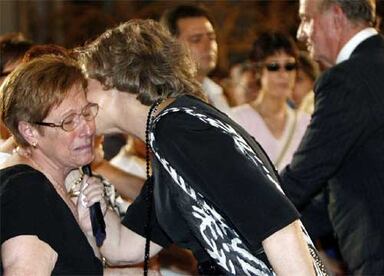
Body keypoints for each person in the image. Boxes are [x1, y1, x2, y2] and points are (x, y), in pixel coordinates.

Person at [80, 19, 327, 275]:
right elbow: (122, 247)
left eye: (87, 81)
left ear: (112, 79)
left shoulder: (180, 129)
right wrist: (80, 182)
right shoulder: (170, 135)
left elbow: (281, 228)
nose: (83, 97)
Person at [280, 0, 384, 274]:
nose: (300, 33)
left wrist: (238, 215)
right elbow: (352, 184)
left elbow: (300, 180)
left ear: (336, 17)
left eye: (306, 19)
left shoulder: (347, 80)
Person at [0, 55, 105, 275]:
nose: (87, 129)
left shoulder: (48, 183)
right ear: (29, 132)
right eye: (69, 121)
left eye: (87, 113)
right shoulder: (25, 191)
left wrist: (87, 231)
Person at [232, 32, 310, 170]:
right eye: (273, 66)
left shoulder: (305, 123)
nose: (283, 74)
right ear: (258, 71)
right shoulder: (237, 120)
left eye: (289, 66)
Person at [160, 4, 231, 114]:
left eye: (212, 37)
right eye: (196, 39)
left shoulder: (217, 93)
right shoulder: (164, 100)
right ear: (171, 47)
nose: (209, 46)